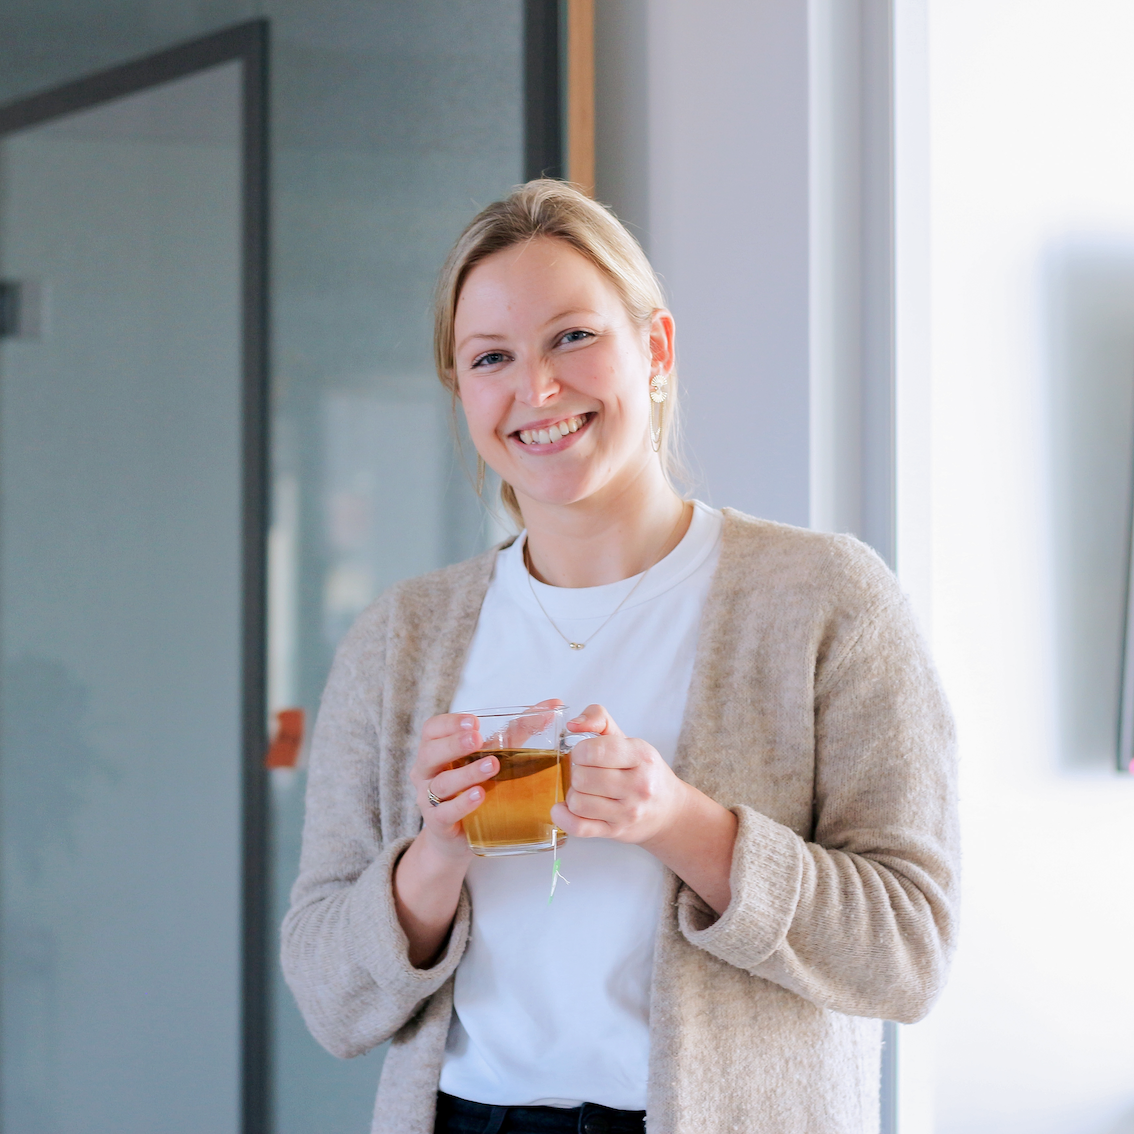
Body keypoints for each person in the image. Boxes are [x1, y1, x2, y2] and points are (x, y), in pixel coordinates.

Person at [281, 180, 959, 1134]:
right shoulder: (400, 638)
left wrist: (680, 822)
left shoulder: (828, 599)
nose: (536, 390)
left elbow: (908, 952)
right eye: (491, 357)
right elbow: (327, 996)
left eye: (572, 336)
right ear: (462, 392)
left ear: (657, 350)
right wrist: (434, 853)